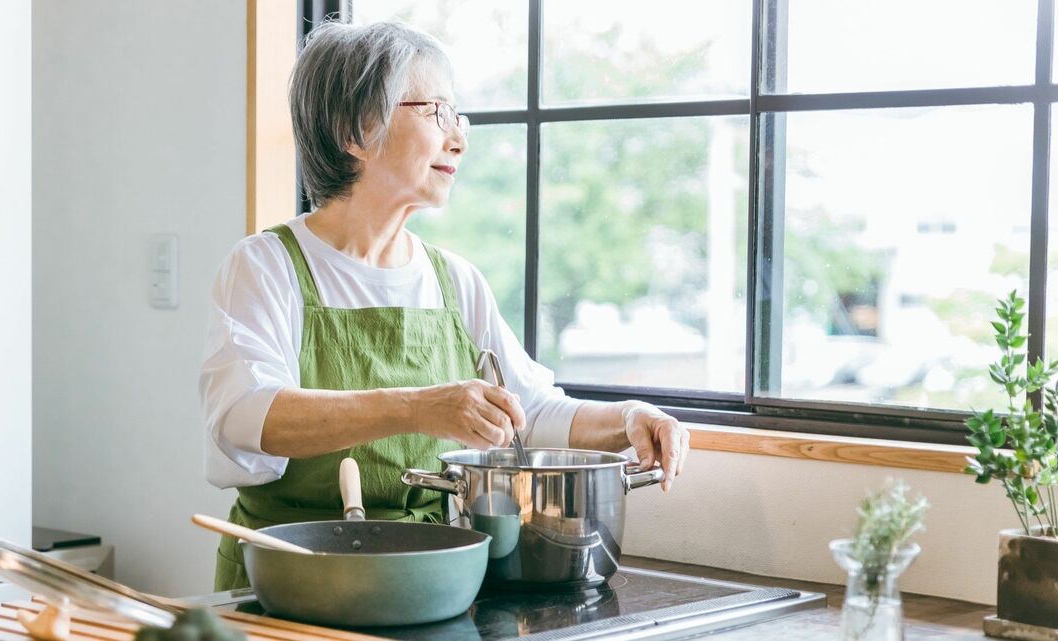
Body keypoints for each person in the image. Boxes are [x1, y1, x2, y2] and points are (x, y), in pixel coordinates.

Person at [198, 20, 690, 591]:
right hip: (289, 577)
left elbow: (529, 412)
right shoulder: (264, 266)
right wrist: (419, 407)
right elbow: (246, 417)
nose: (458, 137)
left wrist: (630, 418)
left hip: (430, 575)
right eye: (436, 113)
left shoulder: (455, 279)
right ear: (353, 129)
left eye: (458, 116)